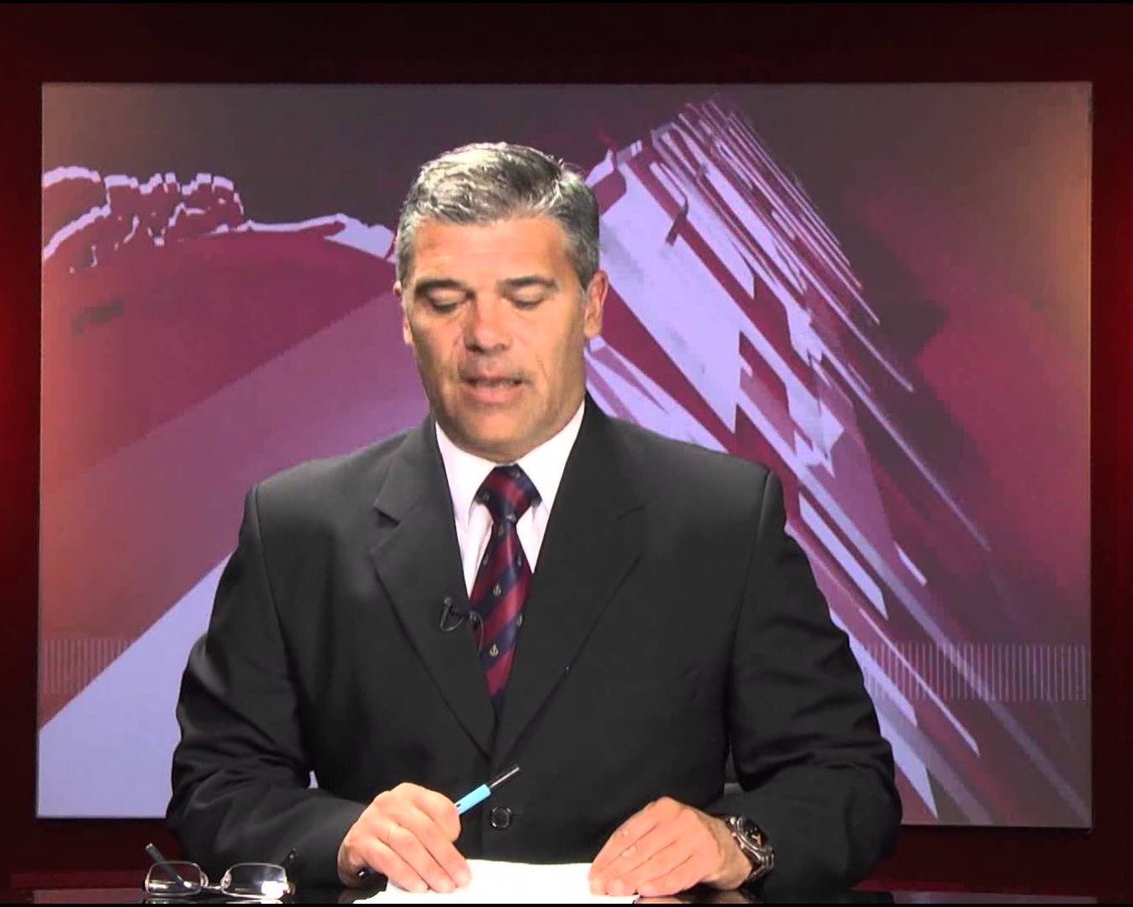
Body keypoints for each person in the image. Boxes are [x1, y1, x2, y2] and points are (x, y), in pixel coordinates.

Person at [167, 142, 901, 899]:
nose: (485, 335)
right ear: (404, 314)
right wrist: (343, 836)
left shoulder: (724, 520)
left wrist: (733, 839)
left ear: (592, 305)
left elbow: (846, 776)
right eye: (445, 300)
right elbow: (218, 784)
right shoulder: (296, 527)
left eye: (525, 298)